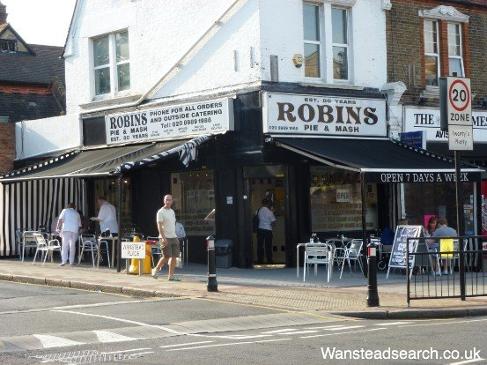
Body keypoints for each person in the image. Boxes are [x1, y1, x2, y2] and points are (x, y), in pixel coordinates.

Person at [152, 194, 180, 281]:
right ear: (164, 201)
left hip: (173, 236)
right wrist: (163, 238)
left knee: (174, 256)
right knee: (166, 256)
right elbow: (159, 226)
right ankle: (156, 269)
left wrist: (176, 236)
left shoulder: (172, 211)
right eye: (166, 200)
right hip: (165, 237)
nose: (168, 201)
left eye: (170, 200)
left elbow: (173, 224)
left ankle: (171, 276)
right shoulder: (160, 212)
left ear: (172, 201)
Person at [256, 198, 276, 264]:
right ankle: (269, 260)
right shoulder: (270, 212)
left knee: (260, 245)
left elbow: (257, 218)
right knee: (268, 246)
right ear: (268, 204)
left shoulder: (259, 210)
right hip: (268, 230)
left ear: (262, 203)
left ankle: (260, 260)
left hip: (260, 229)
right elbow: (273, 223)